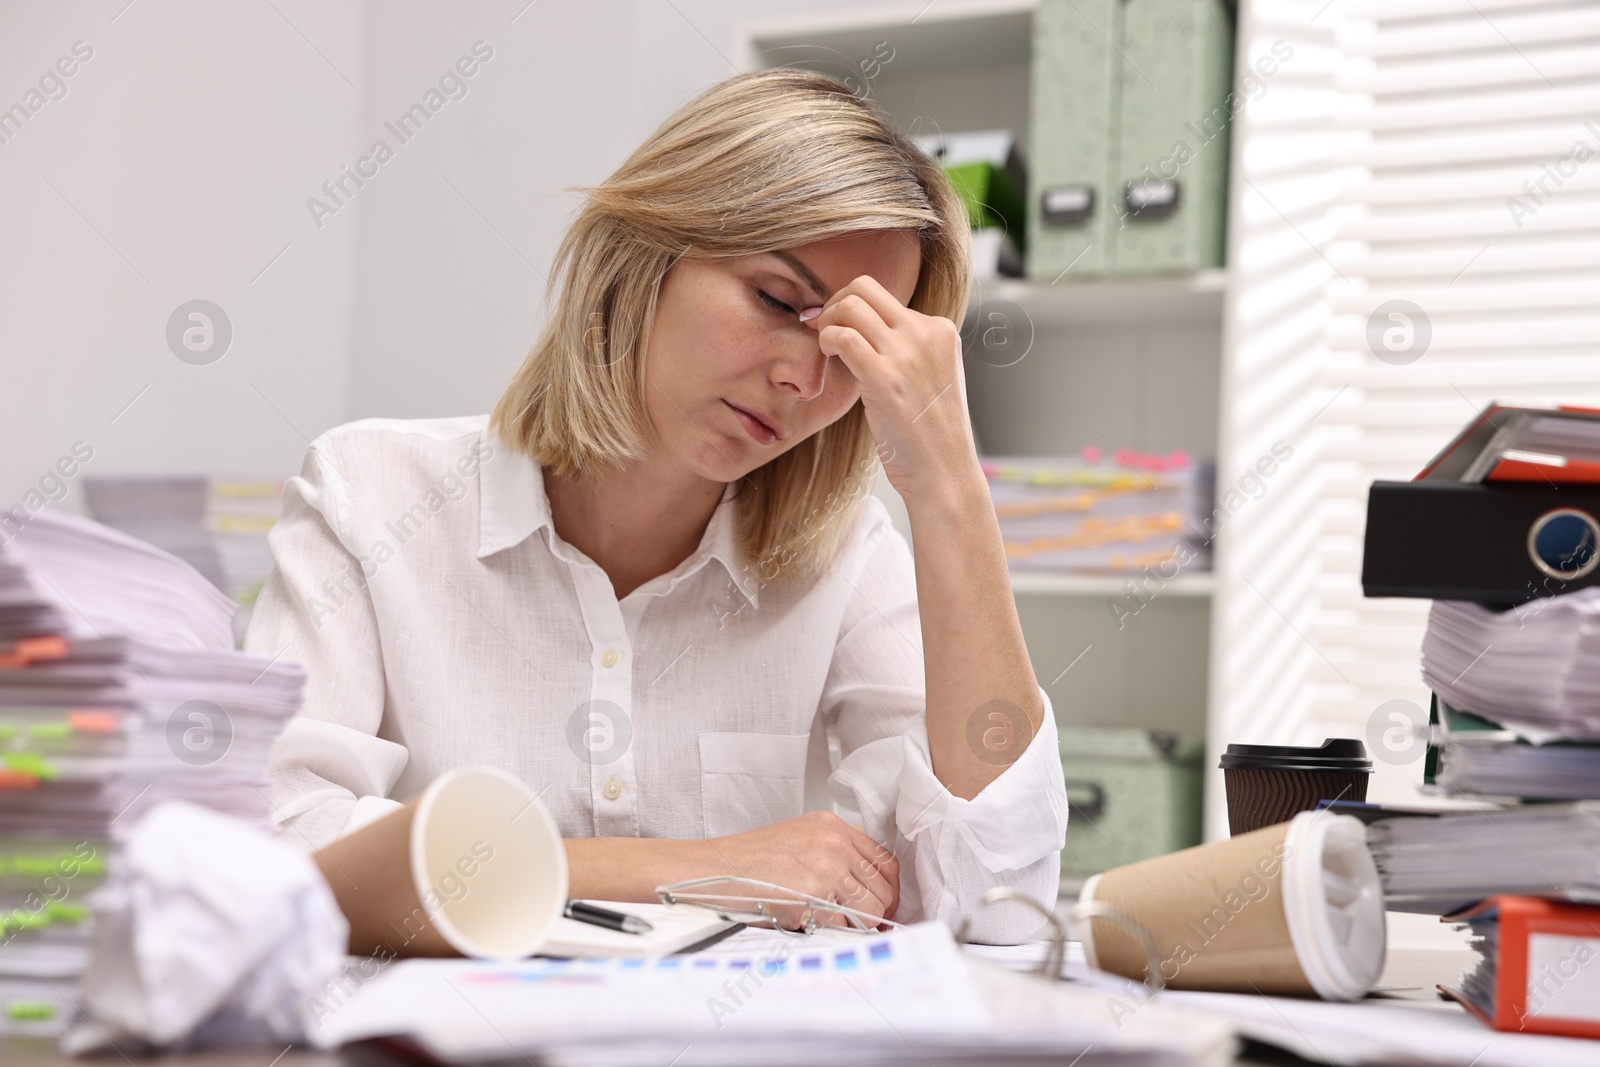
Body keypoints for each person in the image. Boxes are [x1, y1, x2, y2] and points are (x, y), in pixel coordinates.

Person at [247, 68, 1067, 944]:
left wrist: (950, 488)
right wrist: (702, 868)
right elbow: (267, 846)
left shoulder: (847, 556)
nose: (804, 377)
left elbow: (997, 904)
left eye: (852, 352)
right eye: (777, 301)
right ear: (645, 256)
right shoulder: (368, 491)